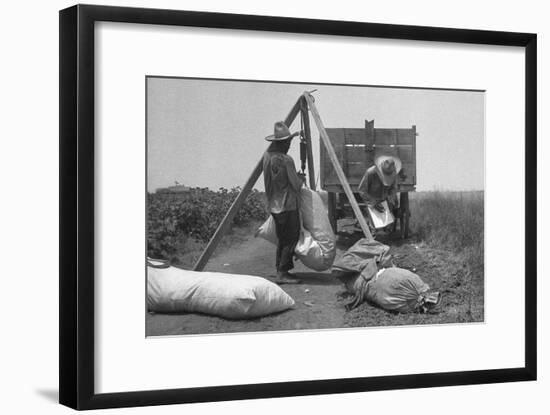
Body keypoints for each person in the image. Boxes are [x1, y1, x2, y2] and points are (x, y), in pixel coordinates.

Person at [263, 121, 305, 284]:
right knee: (291, 237)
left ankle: (280, 269)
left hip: (274, 204)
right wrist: (301, 179)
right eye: (287, 142)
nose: (289, 145)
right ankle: (282, 272)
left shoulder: (267, 158)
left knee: (282, 238)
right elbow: (295, 184)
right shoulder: (286, 160)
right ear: (282, 143)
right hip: (287, 205)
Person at [358, 155, 402, 225]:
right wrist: (373, 203)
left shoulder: (393, 172)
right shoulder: (370, 172)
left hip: (386, 201)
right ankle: (373, 233)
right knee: (374, 226)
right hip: (372, 201)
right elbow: (362, 190)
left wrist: (390, 202)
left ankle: (387, 230)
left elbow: (393, 189)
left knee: (387, 224)